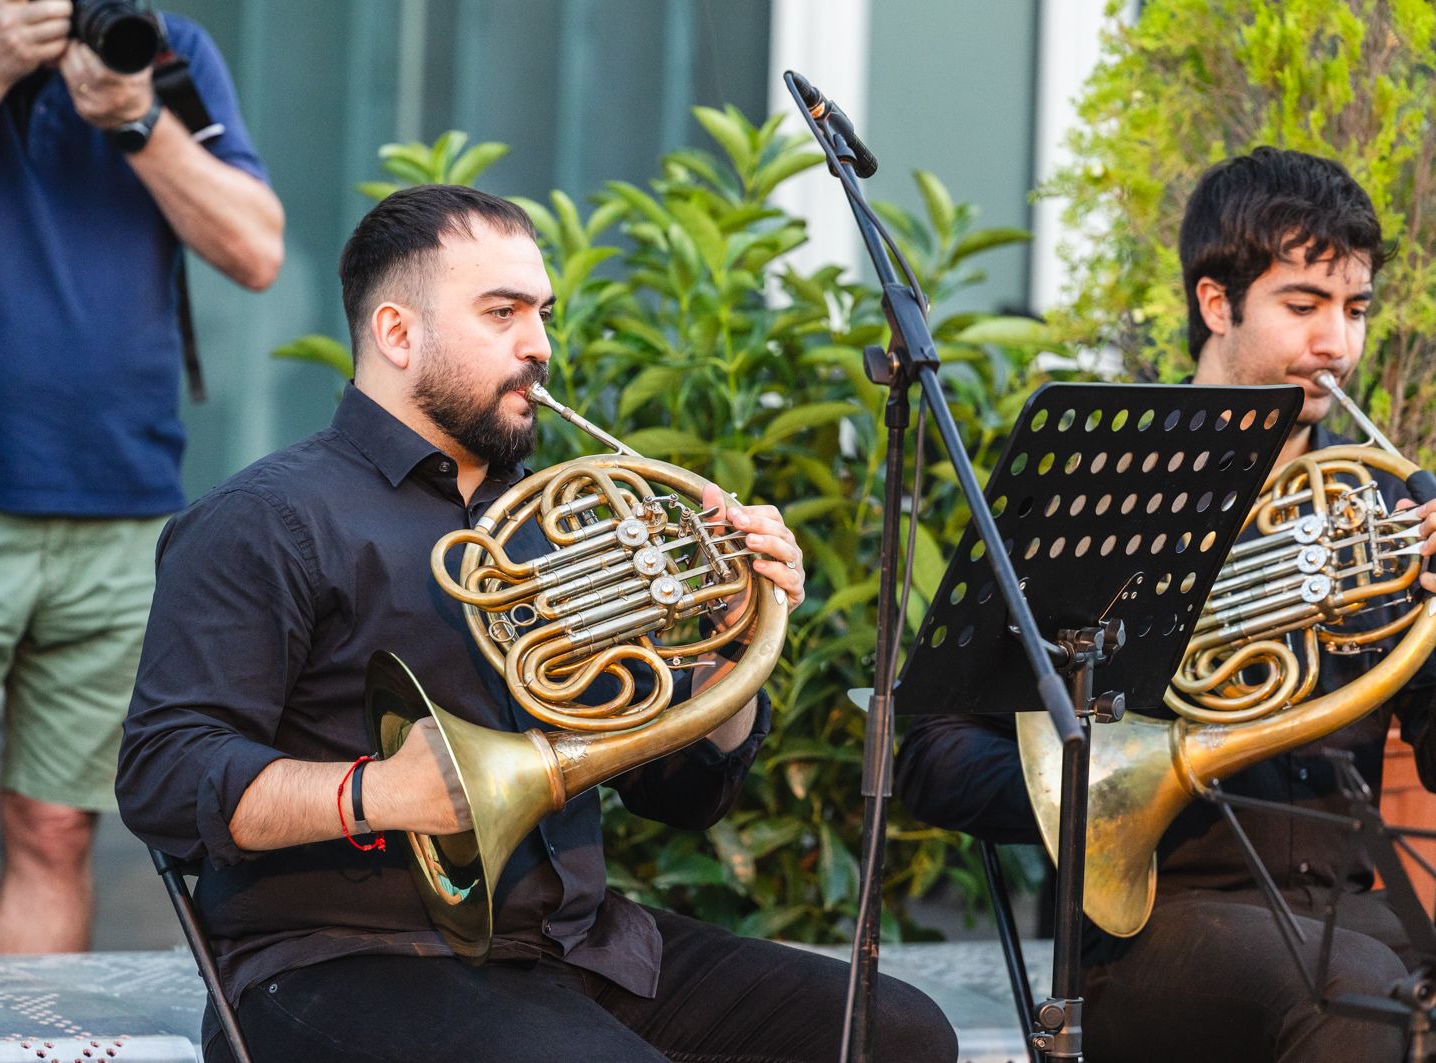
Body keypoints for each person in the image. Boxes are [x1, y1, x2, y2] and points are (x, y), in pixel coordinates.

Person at [116, 184, 958, 1062]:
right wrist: (380, 791)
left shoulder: (555, 520)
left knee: (898, 1035)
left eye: (544, 314)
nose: (540, 346)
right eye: (502, 313)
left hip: (574, 943)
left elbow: (681, 793)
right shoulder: (269, 519)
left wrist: (729, 641)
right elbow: (164, 775)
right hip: (342, 958)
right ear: (397, 334)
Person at [898, 146, 1436, 1063]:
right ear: (1215, 304)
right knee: (1363, 1006)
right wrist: (1110, 793)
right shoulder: (1101, 498)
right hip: (1162, 932)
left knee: (1371, 987)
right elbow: (931, 756)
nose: (1337, 345)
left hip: (1362, 913)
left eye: (1353, 310)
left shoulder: (1389, 507)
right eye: (1302, 306)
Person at [0, 0, 283, 952]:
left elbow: (257, 250)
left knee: (54, 827)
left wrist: (138, 120)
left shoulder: (166, 49)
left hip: (119, 511)